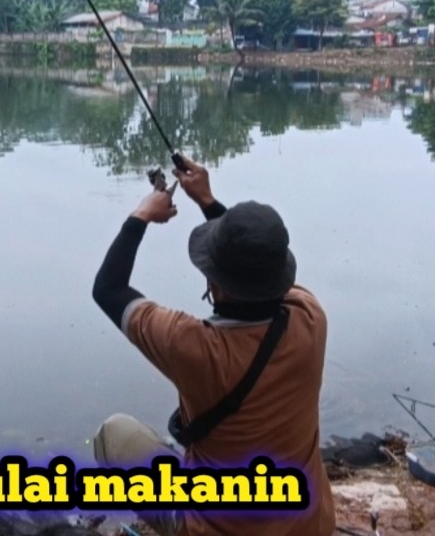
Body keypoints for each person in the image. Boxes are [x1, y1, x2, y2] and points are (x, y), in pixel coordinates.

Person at [90, 154, 335, 536]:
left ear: (214, 283)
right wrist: (207, 201)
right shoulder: (310, 317)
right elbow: (255, 272)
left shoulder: (193, 347)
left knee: (114, 433)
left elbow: (108, 289)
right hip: (307, 526)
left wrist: (141, 215)